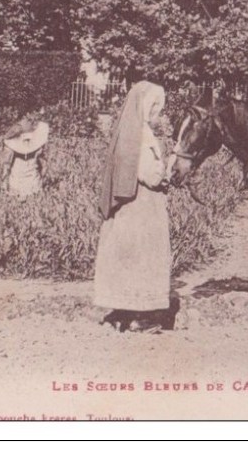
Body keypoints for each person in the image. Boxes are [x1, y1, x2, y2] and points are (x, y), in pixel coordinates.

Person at [94, 81, 175, 333]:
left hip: (129, 207)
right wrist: (169, 167)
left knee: (125, 256)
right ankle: (143, 316)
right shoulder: (140, 136)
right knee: (144, 255)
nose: (157, 113)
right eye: (155, 108)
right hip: (142, 206)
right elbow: (149, 174)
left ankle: (122, 311)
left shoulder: (128, 131)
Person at [1, 119, 49, 198]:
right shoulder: (38, 146)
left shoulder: (11, 147)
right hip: (34, 184)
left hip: (16, 185)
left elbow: (6, 166)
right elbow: (44, 166)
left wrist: (4, 184)